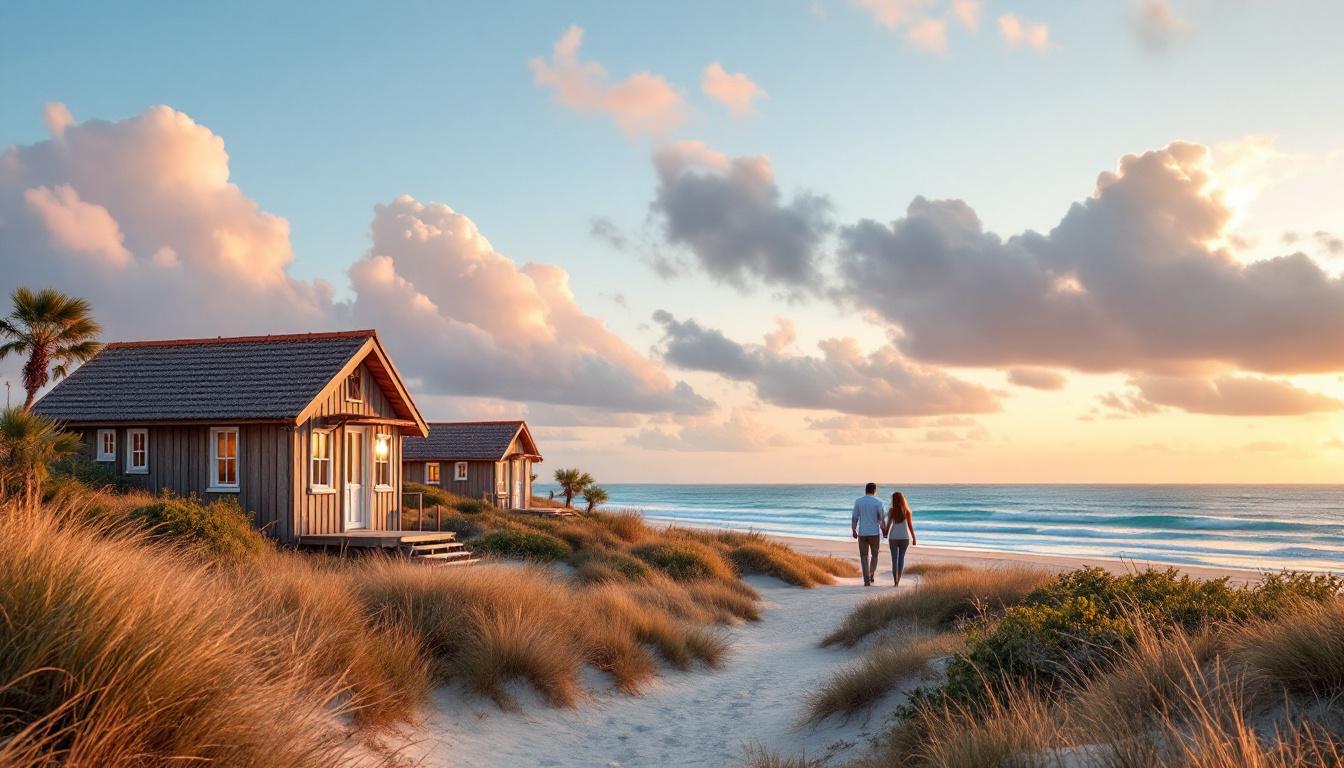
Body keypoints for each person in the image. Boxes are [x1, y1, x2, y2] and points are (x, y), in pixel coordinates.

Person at [851, 482, 885, 586]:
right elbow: (881, 518)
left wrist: (853, 530)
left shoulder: (858, 501)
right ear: (875, 490)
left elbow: (855, 517)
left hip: (862, 533)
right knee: (875, 556)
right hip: (874, 533)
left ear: (865, 490)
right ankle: (871, 574)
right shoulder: (879, 502)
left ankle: (866, 580)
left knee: (864, 557)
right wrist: (884, 530)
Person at [883, 491, 917, 586]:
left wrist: (885, 533)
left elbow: (888, 525)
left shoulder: (891, 511)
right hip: (905, 538)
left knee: (894, 560)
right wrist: (914, 537)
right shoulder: (907, 511)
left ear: (893, 500)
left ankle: (895, 581)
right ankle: (898, 581)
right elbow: (910, 526)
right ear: (903, 499)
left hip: (893, 537)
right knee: (901, 559)